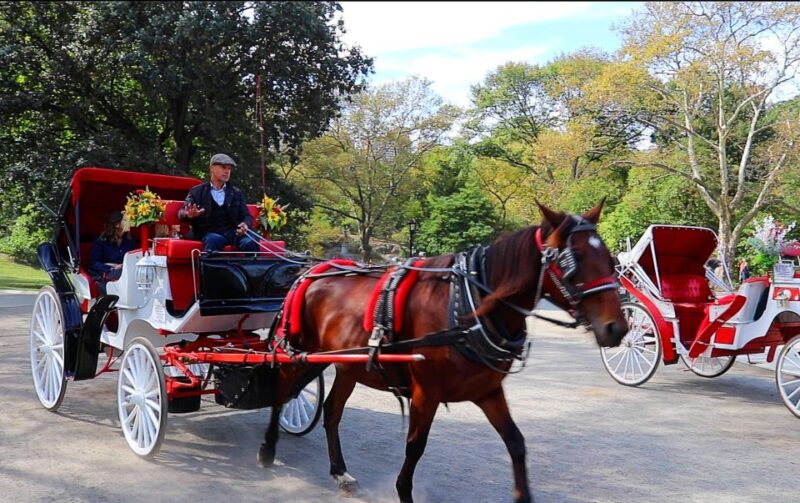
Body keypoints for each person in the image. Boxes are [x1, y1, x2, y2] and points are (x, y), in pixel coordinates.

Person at [178, 153, 260, 252]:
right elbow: (181, 212)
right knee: (212, 241)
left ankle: (251, 268)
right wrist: (188, 214)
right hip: (210, 232)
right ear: (212, 168)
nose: (227, 171)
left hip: (233, 232)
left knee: (250, 242)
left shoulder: (236, 193)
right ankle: (213, 267)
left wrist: (245, 225)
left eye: (229, 169)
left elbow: (247, 216)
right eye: (223, 167)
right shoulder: (197, 191)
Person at [89, 210, 138, 293]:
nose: (129, 222)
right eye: (126, 220)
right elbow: (94, 263)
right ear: (117, 225)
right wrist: (111, 268)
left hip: (125, 272)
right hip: (104, 273)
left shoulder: (130, 242)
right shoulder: (101, 241)